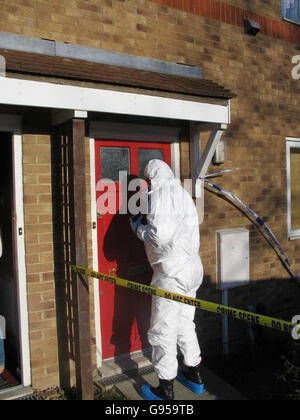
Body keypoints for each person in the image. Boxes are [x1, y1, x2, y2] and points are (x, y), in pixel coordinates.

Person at [130, 159, 204, 400]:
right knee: (184, 323)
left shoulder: (161, 193)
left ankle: (165, 388)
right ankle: (194, 374)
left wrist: (137, 227)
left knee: (163, 330)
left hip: (172, 273)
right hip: (192, 269)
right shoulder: (181, 192)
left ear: (152, 178)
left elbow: (159, 236)